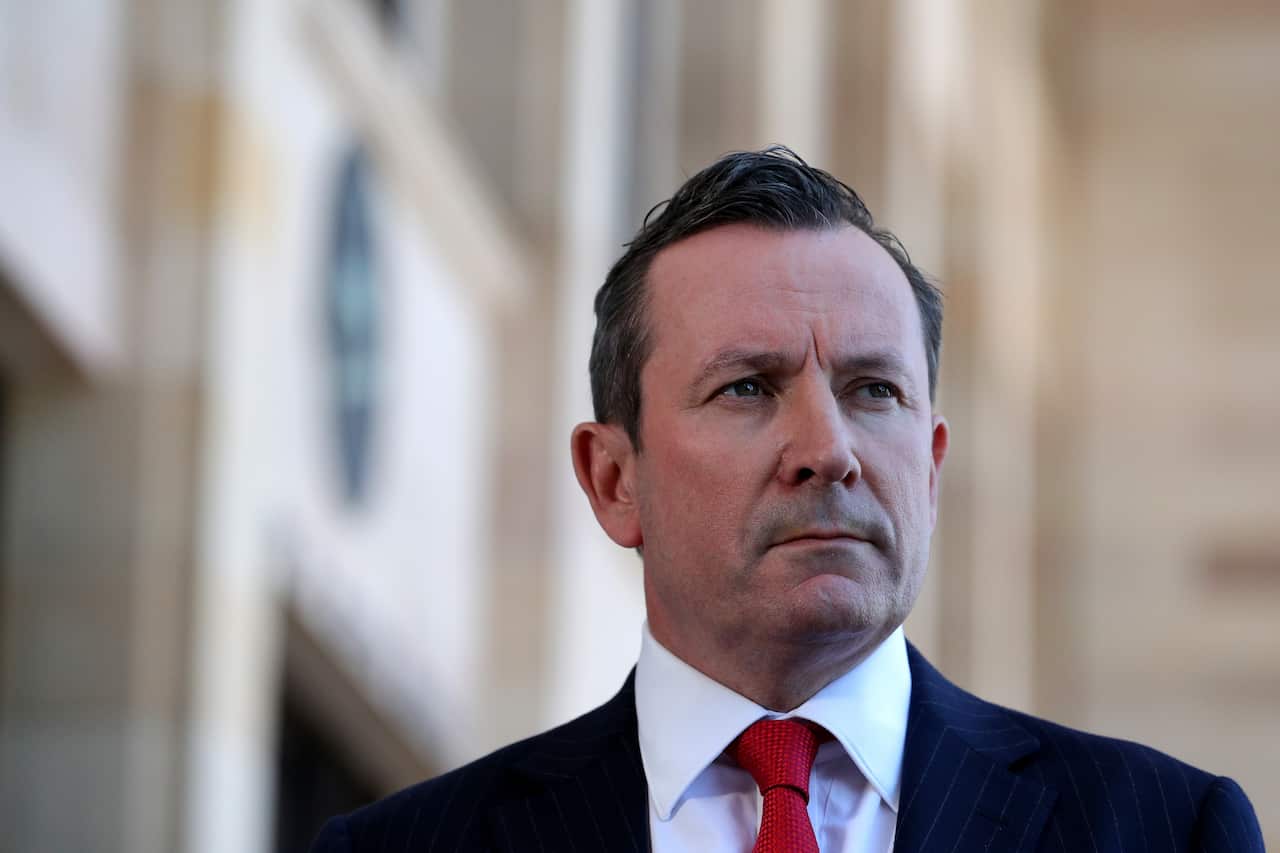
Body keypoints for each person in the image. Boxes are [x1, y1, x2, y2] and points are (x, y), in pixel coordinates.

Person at [310, 147, 1264, 852]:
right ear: (614, 479)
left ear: (931, 470)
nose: (828, 451)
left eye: (874, 390)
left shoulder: (1164, 830)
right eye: (748, 388)